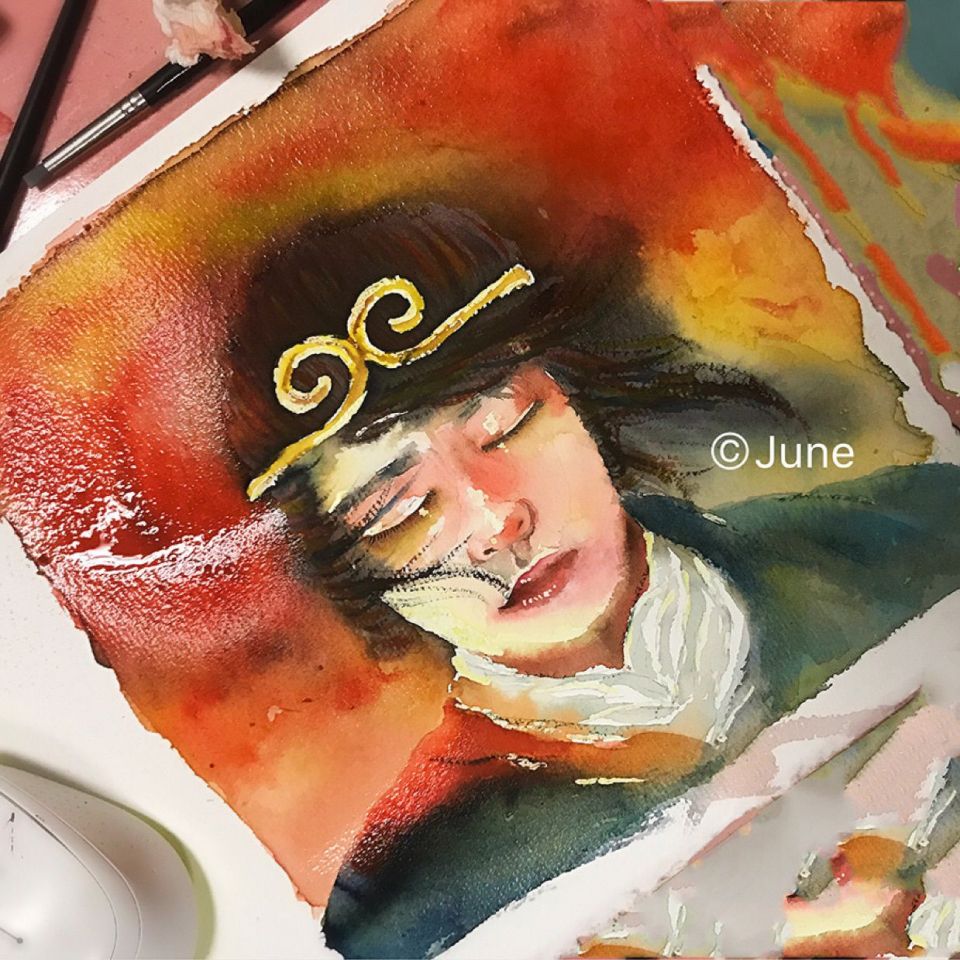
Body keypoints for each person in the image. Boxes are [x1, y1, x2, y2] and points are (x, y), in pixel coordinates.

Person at [224, 202, 960, 958]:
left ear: (575, 396)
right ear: (353, 569)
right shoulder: (411, 906)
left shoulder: (919, 533)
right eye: (399, 511)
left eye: (504, 425)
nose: (497, 519)